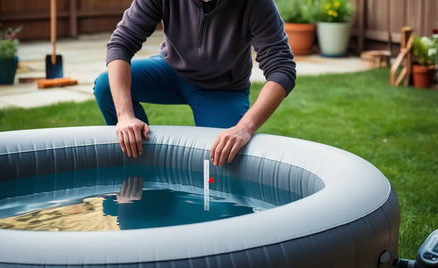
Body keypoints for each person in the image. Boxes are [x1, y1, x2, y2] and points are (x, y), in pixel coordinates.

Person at [93, 0, 296, 167]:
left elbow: (282, 69)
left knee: (225, 159)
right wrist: (126, 116)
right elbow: (121, 44)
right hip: (170, 71)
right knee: (105, 87)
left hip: (222, 89)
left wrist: (244, 128)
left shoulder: (257, 4)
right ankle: (141, 165)